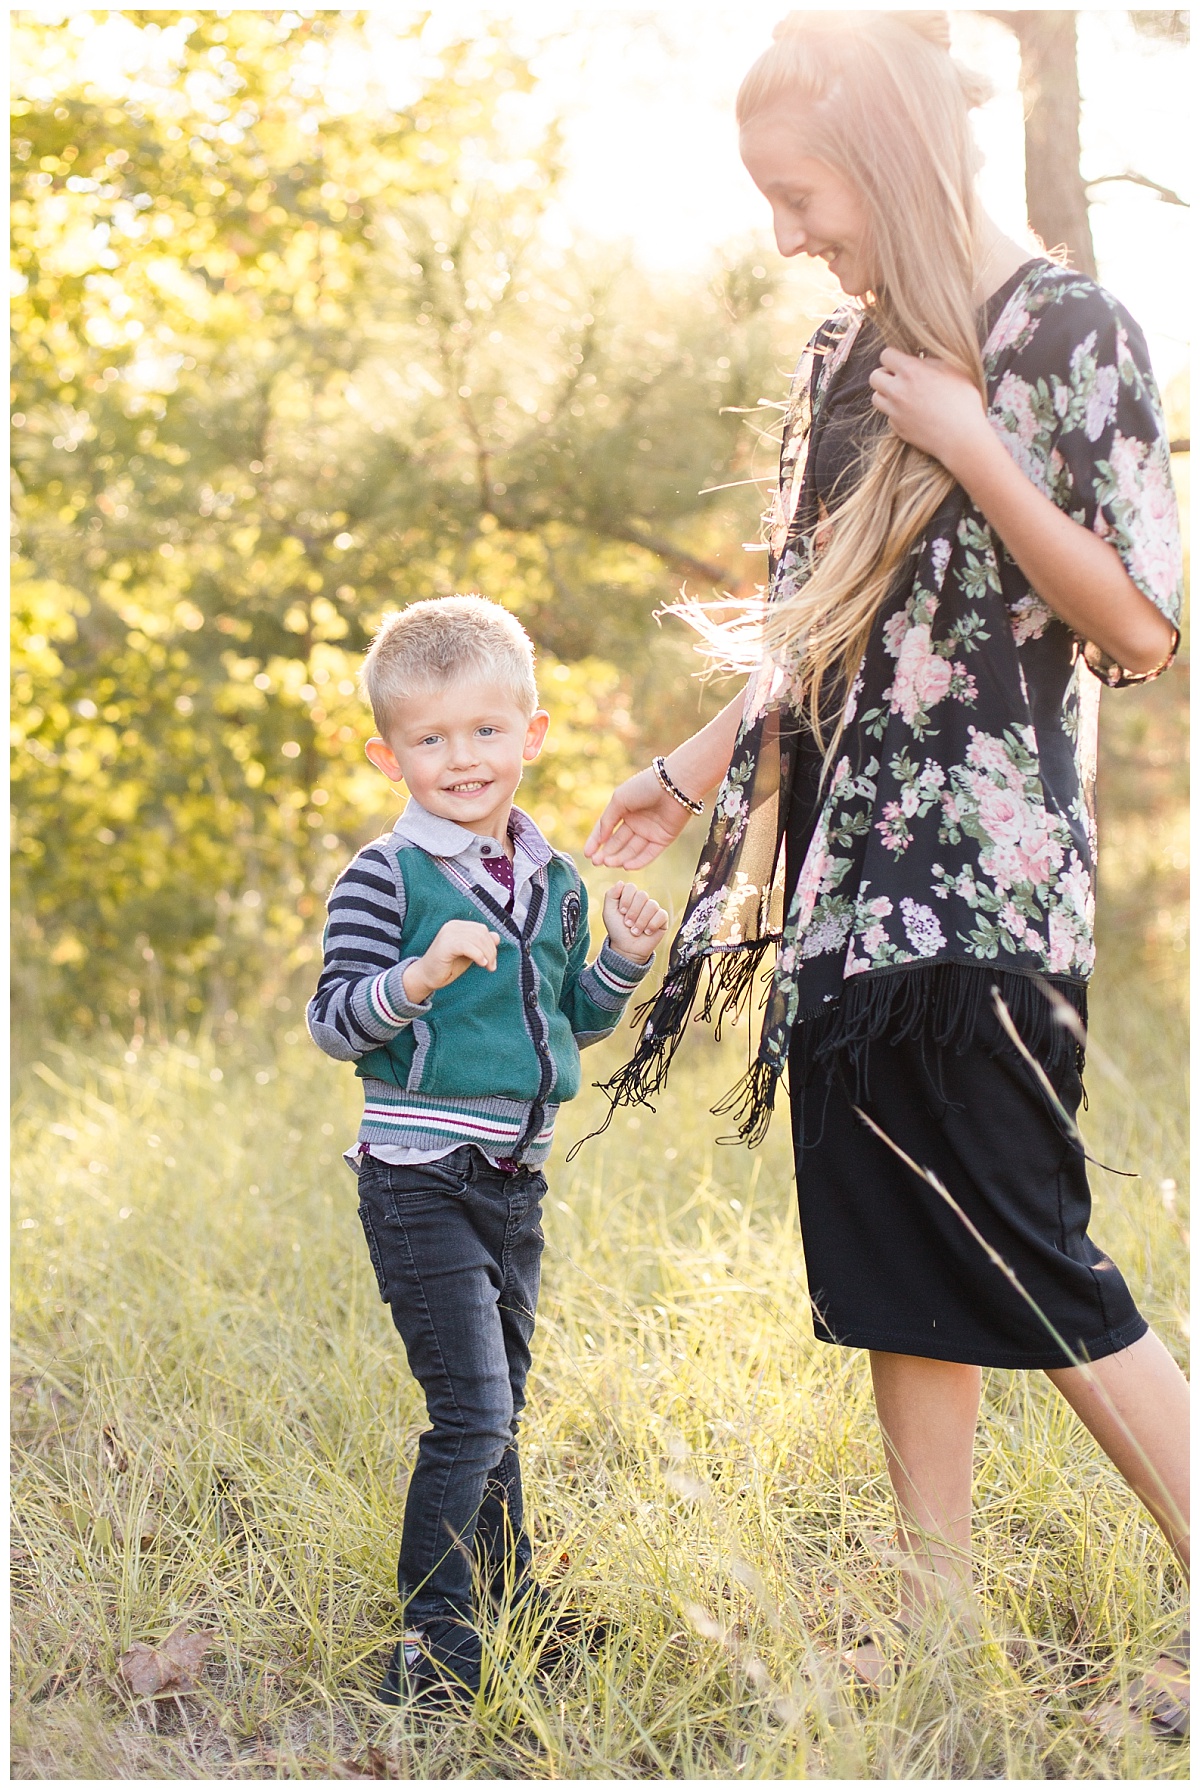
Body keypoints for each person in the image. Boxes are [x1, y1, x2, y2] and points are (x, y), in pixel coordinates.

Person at [585, 9, 1189, 1738]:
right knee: (897, 1267)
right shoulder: (847, 358)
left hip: (987, 885)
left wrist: (982, 443)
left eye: (798, 195)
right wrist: (692, 767)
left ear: (893, 157)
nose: (786, 235)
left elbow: (1142, 625)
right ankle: (940, 1652)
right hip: (852, 880)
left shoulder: (1073, 334)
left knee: (1026, 1249)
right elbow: (821, 621)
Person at [308, 594, 667, 1706]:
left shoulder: (552, 881)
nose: (460, 758)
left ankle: (509, 1606)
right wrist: (415, 976)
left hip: (515, 1181)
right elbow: (333, 1020)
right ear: (389, 752)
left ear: (532, 733)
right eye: (430, 737)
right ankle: (432, 1644)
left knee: (500, 1402)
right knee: (469, 1411)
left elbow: (568, 1024)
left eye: (484, 731)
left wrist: (618, 958)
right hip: (419, 1181)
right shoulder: (387, 876)